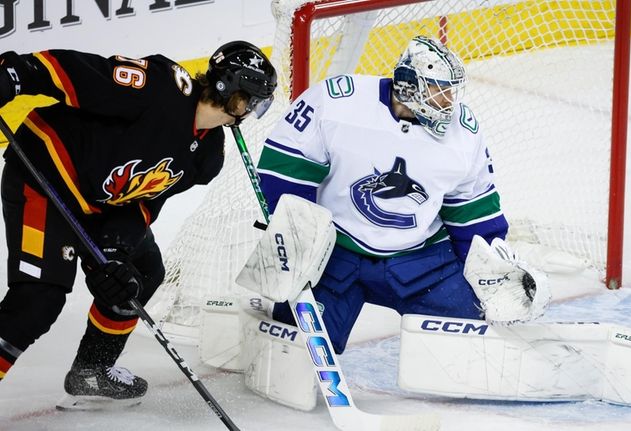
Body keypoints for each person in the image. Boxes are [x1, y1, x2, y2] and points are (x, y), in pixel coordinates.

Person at [0, 40, 277, 408]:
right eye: (252, 99)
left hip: (100, 204)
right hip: (48, 179)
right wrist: (16, 75)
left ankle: (92, 370)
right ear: (229, 86)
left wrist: (116, 247)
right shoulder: (160, 87)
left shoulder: (208, 156)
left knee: (140, 273)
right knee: (39, 300)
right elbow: (80, 73)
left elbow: (146, 200)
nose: (252, 110)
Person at [253, 35, 547, 355]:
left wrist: (491, 269)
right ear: (408, 86)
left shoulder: (463, 133)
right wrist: (298, 241)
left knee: (472, 340)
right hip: (333, 253)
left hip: (420, 261)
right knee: (295, 351)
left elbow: (472, 208)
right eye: (439, 90)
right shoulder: (338, 102)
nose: (449, 100)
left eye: (452, 90)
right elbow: (285, 168)